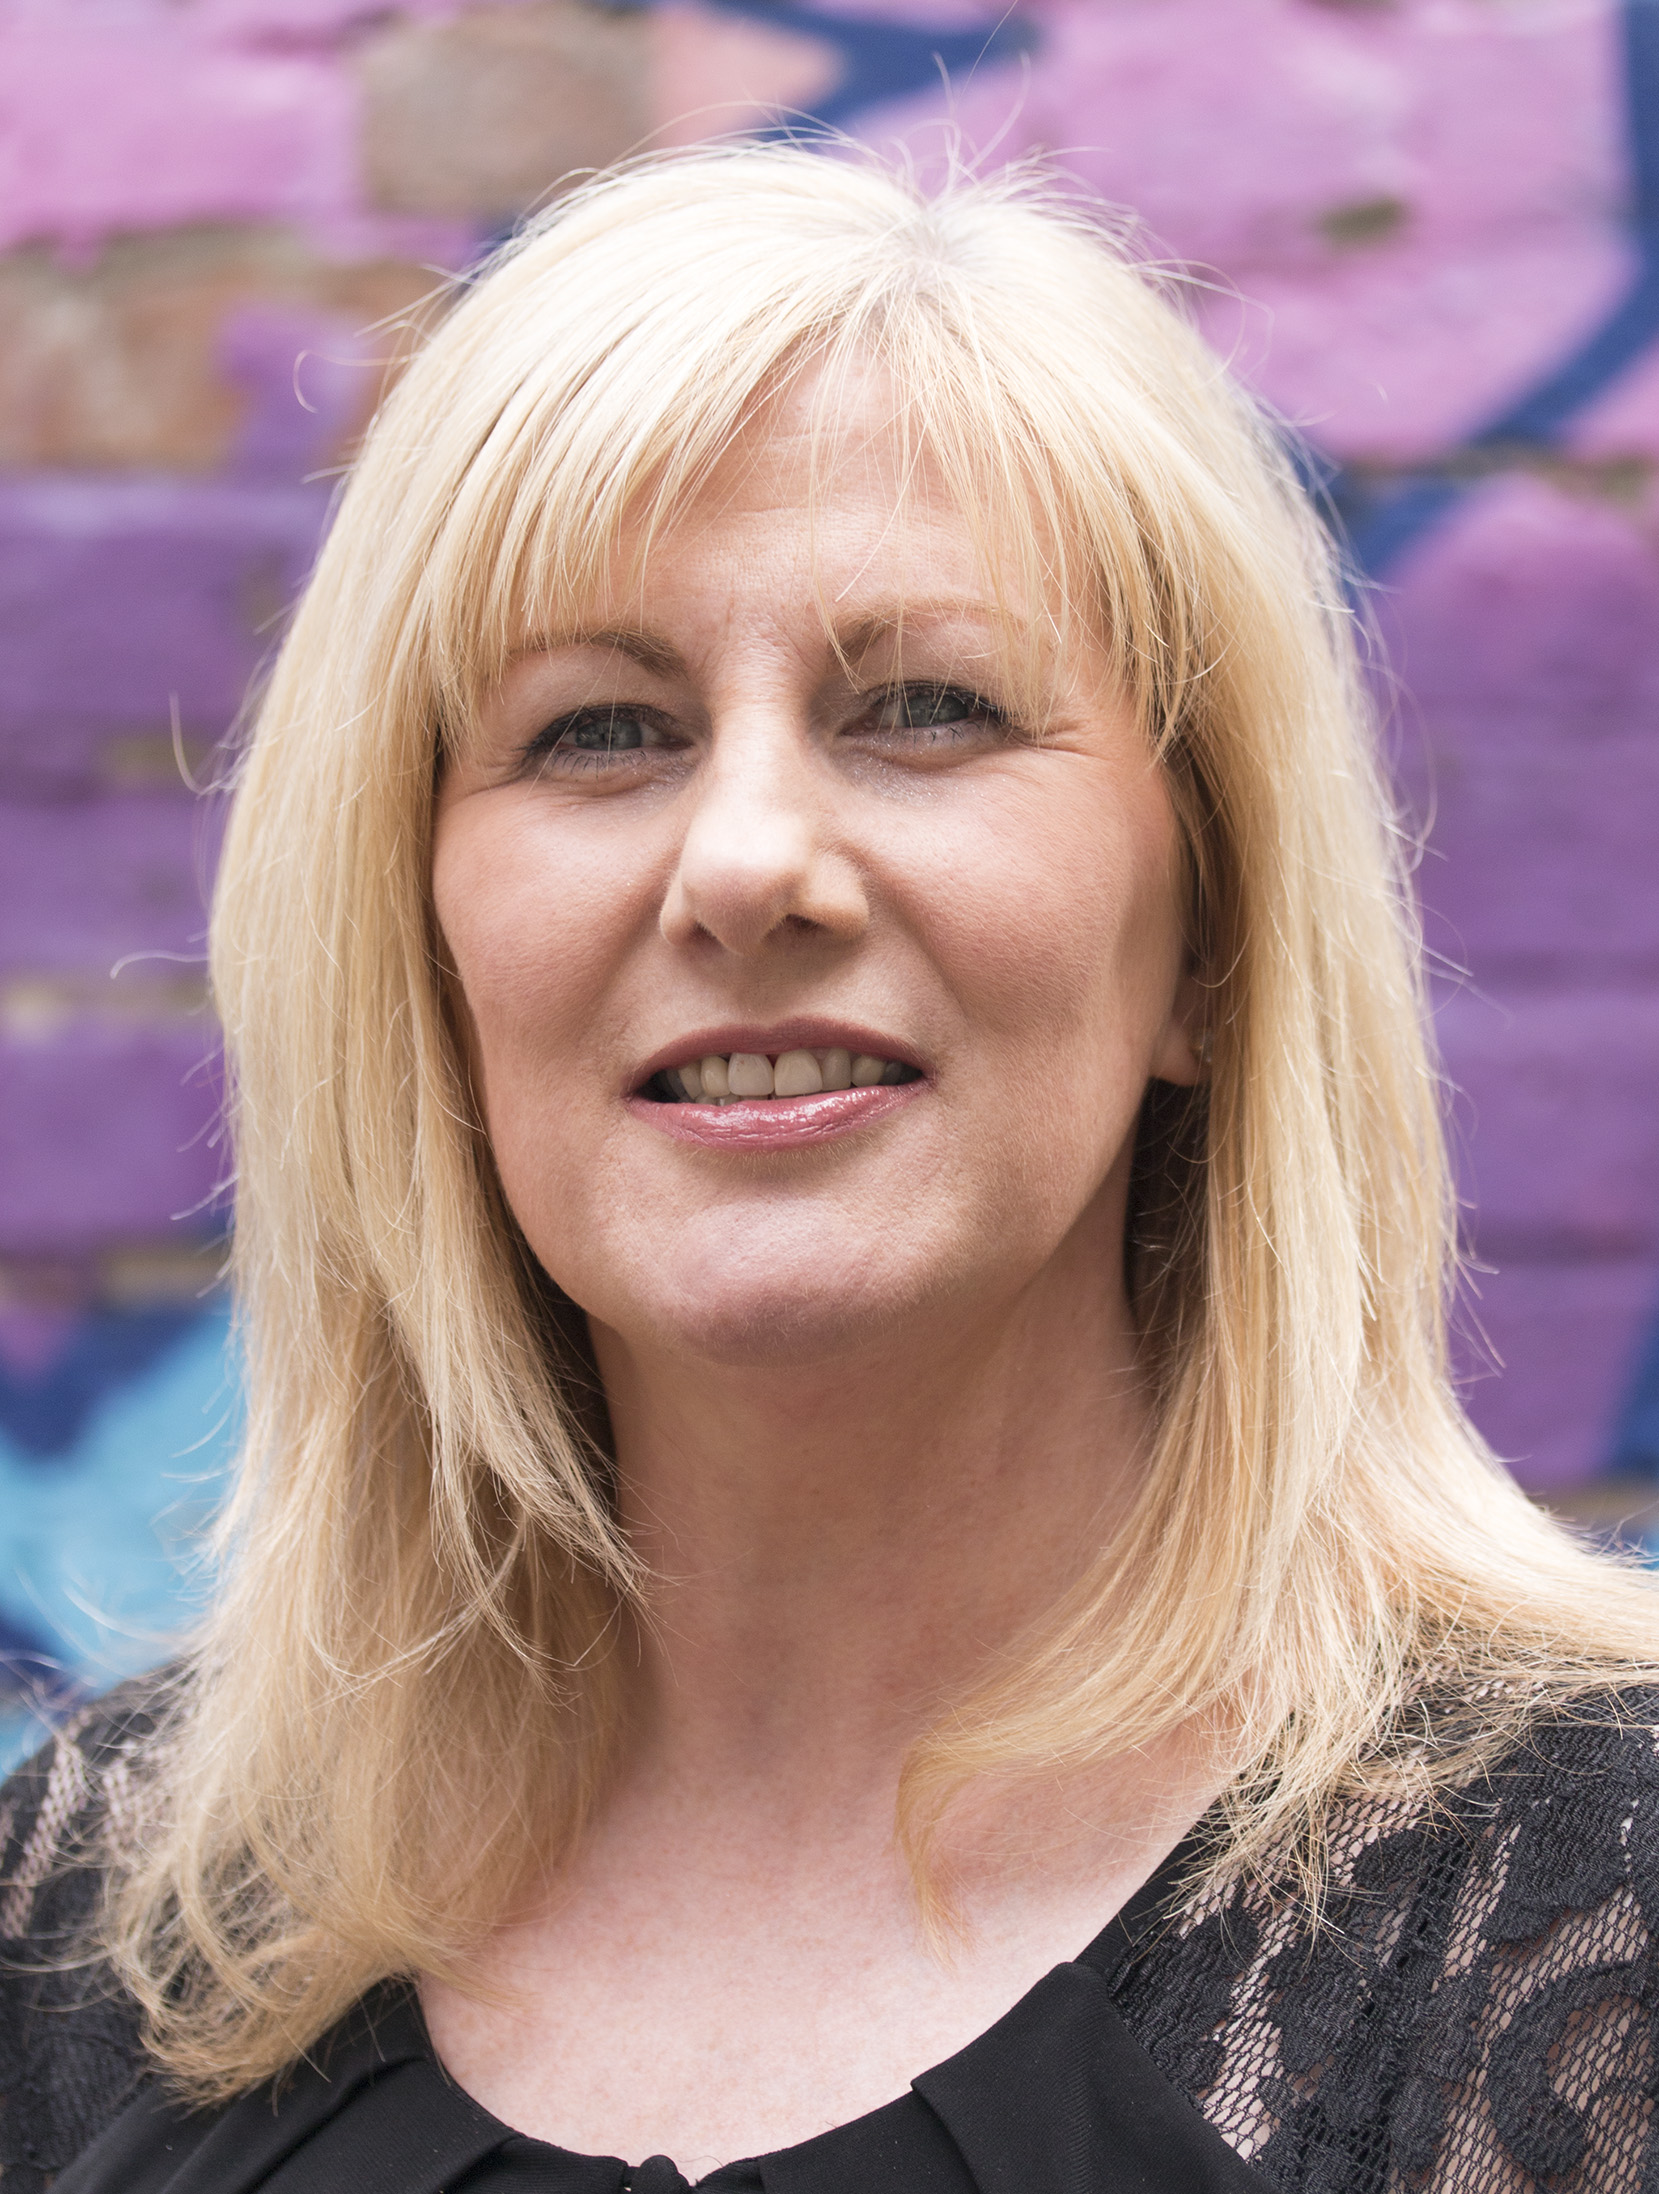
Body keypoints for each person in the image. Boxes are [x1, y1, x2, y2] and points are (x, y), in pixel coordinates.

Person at [4, 145, 1658, 2194]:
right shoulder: (94, 1931)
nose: (746, 861)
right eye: (599, 729)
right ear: (421, 951)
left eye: (927, 708)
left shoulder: (1583, 1929)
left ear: (1207, 942)